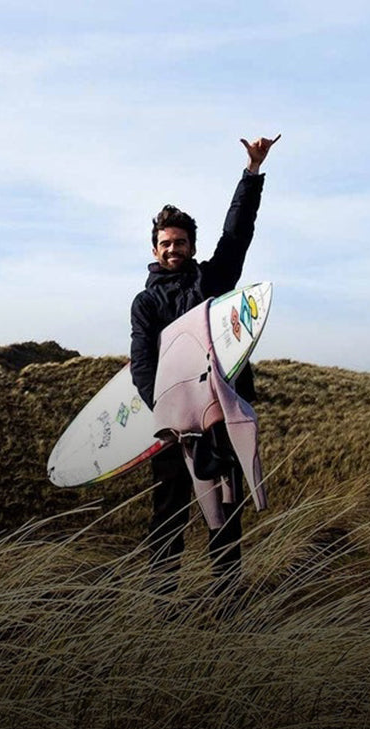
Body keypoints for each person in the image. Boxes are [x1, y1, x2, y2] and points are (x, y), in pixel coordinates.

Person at [129, 135, 280, 594]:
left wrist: (251, 173)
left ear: (191, 245)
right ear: (154, 250)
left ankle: (228, 601)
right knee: (168, 513)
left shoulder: (211, 281)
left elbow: (237, 234)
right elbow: (142, 366)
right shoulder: (146, 303)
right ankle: (163, 605)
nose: (172, 249)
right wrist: (169, 418)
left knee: (226, 516)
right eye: (165, 243)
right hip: (175, 429)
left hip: (219, 420)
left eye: (180, 242)